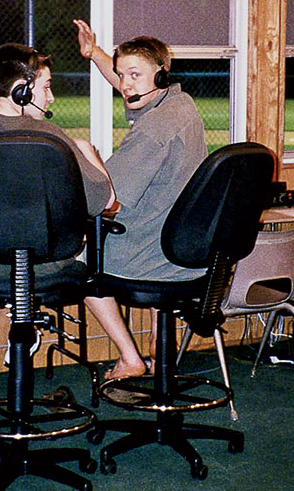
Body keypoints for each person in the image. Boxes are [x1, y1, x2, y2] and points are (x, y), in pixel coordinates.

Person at [0, 43, 114, 397]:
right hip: (45, 268)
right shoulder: (54, 138)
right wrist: (88, 154)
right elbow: (102, 200)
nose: (53, 98)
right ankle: (23, 324)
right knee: (19, 253)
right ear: (21, 90)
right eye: (46, 87)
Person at [74, 19, 208, 379]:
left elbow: (108, 200)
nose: (125, 84)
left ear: (162, 75)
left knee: (78, 264)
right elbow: (130, 80)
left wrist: (88, 156)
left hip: (155, 254)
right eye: (121, 75)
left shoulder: (152, 131)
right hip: (185, 250)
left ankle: (130, 357)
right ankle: (156, 344)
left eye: (135, 75)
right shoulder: (182, 104)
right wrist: (94, 54)